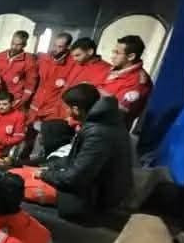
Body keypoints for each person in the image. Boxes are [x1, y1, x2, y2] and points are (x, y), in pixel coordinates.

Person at [10, 84, 133, 218]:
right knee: (13, 173)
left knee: (10, 184)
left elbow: (75, 178)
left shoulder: (98, 133)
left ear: (76, 109)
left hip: (91, 196)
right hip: (86, 186)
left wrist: (44, 174)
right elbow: (75, 160)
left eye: (67, 108)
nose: (66, 113)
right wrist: (46, 167)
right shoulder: (103, 122)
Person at [99, 35, 153, 127]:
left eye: (117, 53)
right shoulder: (113, 70)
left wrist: (94, 91)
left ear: (131, 56)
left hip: (108, 129)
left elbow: (122, 110)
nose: (112, 56)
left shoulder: (139, 82)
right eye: (113, 52)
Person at [28, 32, 75, 125]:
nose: (55, 49)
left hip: (52, 109)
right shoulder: (44, 58)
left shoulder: (72, 64)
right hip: (36, 103)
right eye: (54, 45)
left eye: (60, 47)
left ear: (68, 47)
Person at [0, 30, 38, 110]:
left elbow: (30, 85)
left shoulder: (29, 61)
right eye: (12, 43)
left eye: (18, 45)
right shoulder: (0, 56)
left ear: (24, 45)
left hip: (14, 101)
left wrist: (21, 102)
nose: (14, 47)